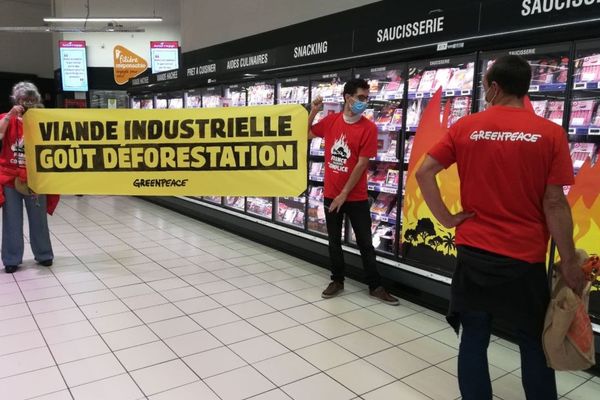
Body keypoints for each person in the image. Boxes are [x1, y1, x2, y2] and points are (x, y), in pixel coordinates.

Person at [416, 55, 585, 400]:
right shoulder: (550, 133)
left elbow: (424, 172)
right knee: (532, 341)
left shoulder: (466, 127)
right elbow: (554, 203)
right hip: (523, 259)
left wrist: (446, 219)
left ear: (494, 87)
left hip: (474, 252)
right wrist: (568, 261)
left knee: (474, 336)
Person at [309, 78, 399, 305]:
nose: (364, 102)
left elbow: (361, 164)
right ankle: (337, 280)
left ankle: (375, 286)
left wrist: (344, 194)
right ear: (348, 98)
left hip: (355, 196)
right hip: (331, 192)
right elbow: (306, 133)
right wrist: (313, 111)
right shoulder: (331, 122)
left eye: (366, 98)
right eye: (360, 98)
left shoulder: (369, 128)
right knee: (333, 241)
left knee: (365, 243)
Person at [0, 82, 54, 274]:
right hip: (11, 177)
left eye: (31, 100)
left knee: (38, 219)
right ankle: (11, 259)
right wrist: (10, 116)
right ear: (17, 100)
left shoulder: (42, 120)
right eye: (24, 100)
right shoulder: (7, 118)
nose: (27, 103)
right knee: (11, 220)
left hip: (35, 178)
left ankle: (44, 254)